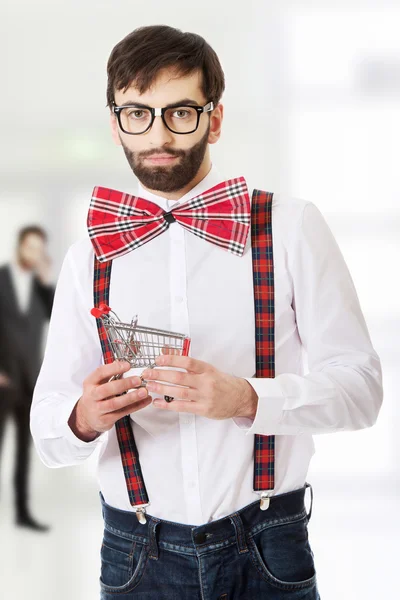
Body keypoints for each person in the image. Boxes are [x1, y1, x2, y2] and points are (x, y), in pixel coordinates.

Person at [30, 25, 383, 599]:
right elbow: (47, 430)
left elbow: (362, 390)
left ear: (214, 119)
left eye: (181, 112)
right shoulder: (88, 257)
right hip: (134, 557)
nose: (158, 134)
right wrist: (83, 417)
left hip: (268, 547)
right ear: (117, 120)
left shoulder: (291, 227)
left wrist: (247, 399)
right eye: (138, 113)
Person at [0, 225, 54, 531]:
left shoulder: (39, 287)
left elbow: (55, 317)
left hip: (30, 381)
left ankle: (22, 513)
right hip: (3, 380)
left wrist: (46, 282)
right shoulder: (0, 278)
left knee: (23, 452)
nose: (35, 254)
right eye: (30, 247)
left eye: (39, 249)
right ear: (20, 247)